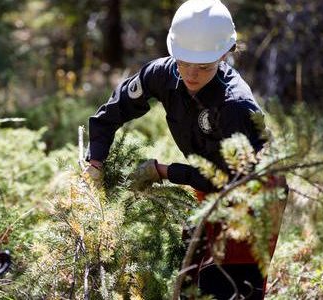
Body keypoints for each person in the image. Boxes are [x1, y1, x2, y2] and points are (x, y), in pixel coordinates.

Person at [84, 0, 285, 299]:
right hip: (207, 181)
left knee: (227, 288)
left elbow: (228, 180)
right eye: (183, 63)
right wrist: (96, 160)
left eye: (203, 67)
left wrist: (164, 171)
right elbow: (111, 112)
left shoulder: (235, 106)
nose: (190, 75)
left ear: (224, 54)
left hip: (250, 195)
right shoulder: (162, 74)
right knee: (189, 281)